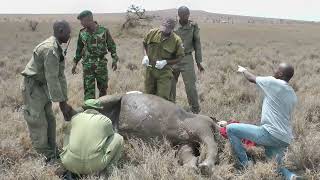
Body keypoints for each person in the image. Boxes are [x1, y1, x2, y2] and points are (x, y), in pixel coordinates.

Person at [227, 63, 302, 180]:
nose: (274, 70)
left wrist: (243, 70)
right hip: (284, 138)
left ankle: (245, 164)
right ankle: (291, 176)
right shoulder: (292, 94)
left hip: (269, 133)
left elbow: (251, 78)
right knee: (275, 164)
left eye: (277, 68)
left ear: (280, 73)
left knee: (231, 129)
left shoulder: (273, 82)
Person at [21, 20, 73, 161]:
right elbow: (52, 79)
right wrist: (62, 104)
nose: (70, 35)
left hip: (42, 86)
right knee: (38, 121)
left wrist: (64, 100)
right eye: (68, 32)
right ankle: (44, 156)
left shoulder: (57, 47)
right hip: (33, 87)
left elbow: (60, 76)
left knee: (50, 119)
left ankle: (52, 150)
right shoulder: (50, 49)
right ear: (60, 31)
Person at [60, 99, 124, 175]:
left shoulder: (74, 118)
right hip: (95, 166)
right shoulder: (106, 121)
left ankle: (69, 160)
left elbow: (64, 129)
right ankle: (109, 171)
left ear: (84, 108)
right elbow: (109, 137)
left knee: (68, 133)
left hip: (70, 164)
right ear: (98, 109)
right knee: (118, 138)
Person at [72, 10, 119, 100]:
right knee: (89, 92)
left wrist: (114, 59)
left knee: (103, 90)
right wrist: (75, 63)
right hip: (87, 66)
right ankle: (90, 111)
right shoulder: (82, 33)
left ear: (89, 19)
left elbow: (111, 46)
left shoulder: (103, 31)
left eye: (82, 21)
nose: (81, 23)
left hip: (101, 65)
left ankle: (103, 111)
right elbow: (79, 49)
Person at [171, 6, 204, 114]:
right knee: (170, 84)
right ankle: (170, 108)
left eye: (187, 14)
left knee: (190, 86)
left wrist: (199, 62)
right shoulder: (173, 25)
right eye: (184, 15)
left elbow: (197, 43)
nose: (186, 17)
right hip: (173, 59)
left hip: (187, 58)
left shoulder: (193, 26)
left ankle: (195, 110)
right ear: (179, 15)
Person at [142, 18, 185, 101]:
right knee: (148, 96)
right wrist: (145, 56)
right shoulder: (152, 33)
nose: (164, 30)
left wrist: (166, 62)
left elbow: (180, 57)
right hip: (150, 70)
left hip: (164, 72)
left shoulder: (176, 40)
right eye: (163, 26)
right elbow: (144, 43)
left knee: (163, 99)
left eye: (167, 28)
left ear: (172, 29)